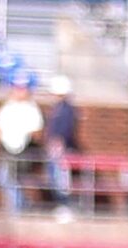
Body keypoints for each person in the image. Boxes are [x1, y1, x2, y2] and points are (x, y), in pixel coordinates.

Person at [0, 81, 42, 215]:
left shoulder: (31, 109)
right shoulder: (7, 107)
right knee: (2, 178)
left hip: (22, 151)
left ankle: (17, 208)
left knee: (8, 178)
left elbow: (37, 133)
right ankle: (21, 204)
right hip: (7, 149)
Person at [43, 76, 81, 215]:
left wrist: (58, 142)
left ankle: (66, 206)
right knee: (55, 177)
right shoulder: (58, 108)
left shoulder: (66, 109)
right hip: (56, 150)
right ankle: (62, 204)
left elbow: (65, 130)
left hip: (61, 150)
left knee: (61, 179)